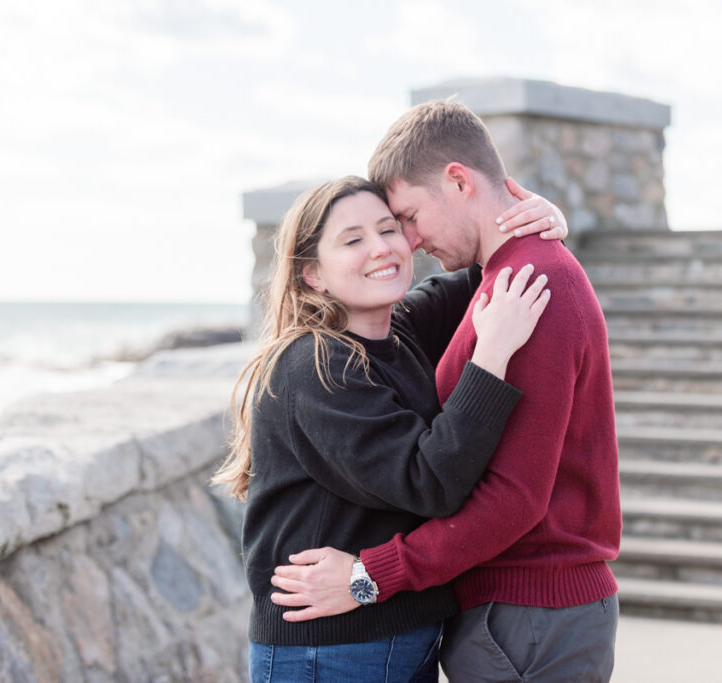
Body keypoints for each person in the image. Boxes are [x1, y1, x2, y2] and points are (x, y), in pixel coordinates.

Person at [270, 101, 622, 682]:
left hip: (531, 615)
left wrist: (369, 575)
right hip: (515, 615)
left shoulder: (529, 287)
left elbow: (513, 498)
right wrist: (522, 209)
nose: (405, 243)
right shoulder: (502, 281)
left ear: (458, 180)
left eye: (404, 218)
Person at [213, 174, 565, 682]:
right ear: (313, 273)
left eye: (389, 228)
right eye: (353, 240)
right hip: (329, 650)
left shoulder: (398, 331)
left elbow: (490, 264)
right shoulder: (315, 364)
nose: (381, 249)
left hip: (393, 638)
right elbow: (429, 481)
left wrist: (538, 220)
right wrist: (491, 356)